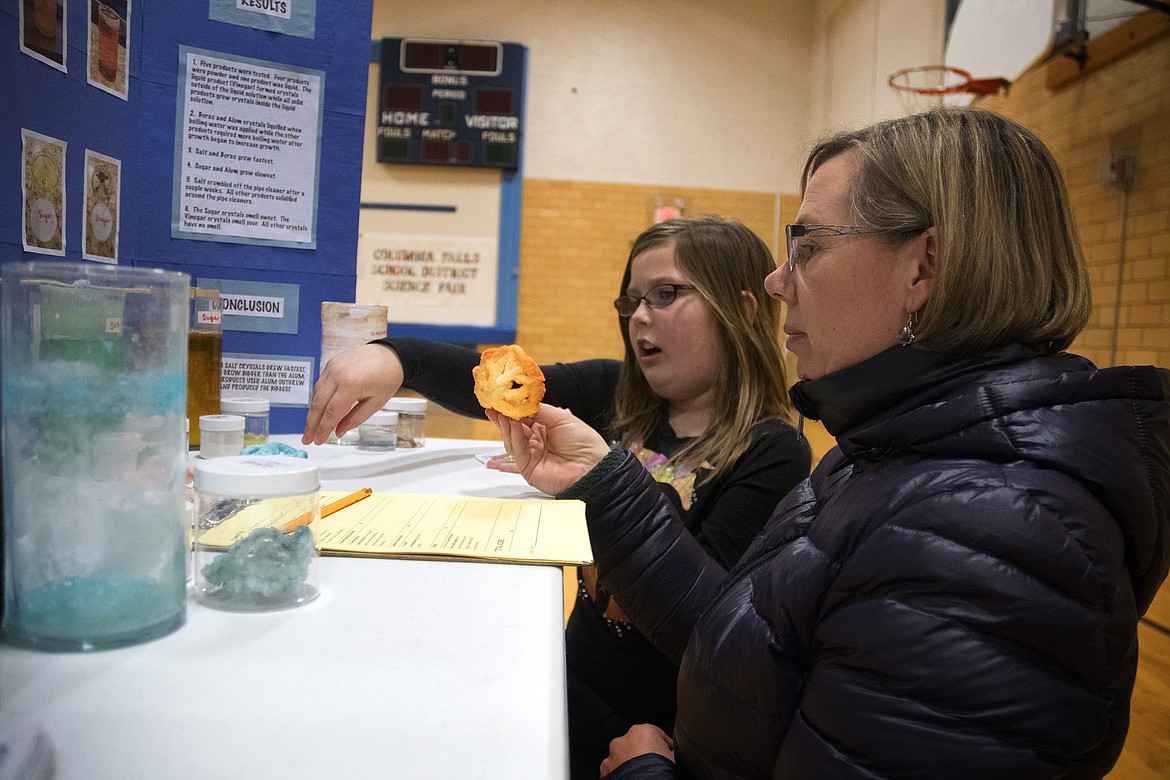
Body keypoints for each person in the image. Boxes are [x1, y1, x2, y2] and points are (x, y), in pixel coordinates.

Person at [490, 106, 1170, 778]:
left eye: (808, 247)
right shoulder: (894, 449)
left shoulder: (992, 530)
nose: (777, 279)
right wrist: (607, 484)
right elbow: (757, 650)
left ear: (922, 267)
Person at [301, 216, 813, 777]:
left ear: (742, 309)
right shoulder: (614, 392)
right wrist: (399, 359)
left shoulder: (774, 451)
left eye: (666, 294)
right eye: (632, 301)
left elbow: (704, 618)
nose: (640, 315)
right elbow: (501, 386)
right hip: (568, 676)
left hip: (653, 730)